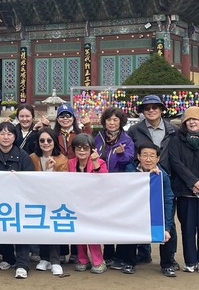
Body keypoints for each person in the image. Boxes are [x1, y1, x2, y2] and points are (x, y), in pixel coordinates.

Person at [166, 106, 199, 275]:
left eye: (195, 119)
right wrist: (193, 181)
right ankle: (190, 261)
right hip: (184, 191)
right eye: (188, 119)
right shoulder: (176, 140)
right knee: (188, 228)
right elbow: (176, 163)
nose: (192, 122)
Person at [127, 94, 178, 264]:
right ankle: (143, 252)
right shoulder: (135, 130)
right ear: (142, 111)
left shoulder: (173, 130)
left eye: (155, 107)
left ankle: (169, 259)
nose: (151, 111)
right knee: (141, 216)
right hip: (142, 179)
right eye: (147, 108)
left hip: (166, 177)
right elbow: (131, 154)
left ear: (161, 109)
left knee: (167, 216)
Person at [0, 121, 33, 279]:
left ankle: (22, 264)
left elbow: (30, 177)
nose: (6, 137)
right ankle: (8, 258)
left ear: (14, 137)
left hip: (19, 201)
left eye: (9, 134)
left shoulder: (22, 155)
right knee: (3, 229)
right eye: (2, 134)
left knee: (21, 231)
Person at [93, 107, 135, 269]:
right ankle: (108, 253)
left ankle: (120, 255)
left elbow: (129, 161)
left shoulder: (127, 140)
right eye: (109, 119)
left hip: (120, 187)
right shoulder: (98, 137)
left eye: (115, 120)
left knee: (120, 220)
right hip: (101, 186)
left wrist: (120, 154)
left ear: (120, 122)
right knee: (105, 220)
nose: (112, 123)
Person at [130, 143, 177, 277]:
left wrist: (166, 227)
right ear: (138, 156)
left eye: (152, 156)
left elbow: (168, 199)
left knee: (169, 230)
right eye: (144, 155)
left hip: (155, 212)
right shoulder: (131, 172)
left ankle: (167, 264)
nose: (148, 159)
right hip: (136, 211)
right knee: (128, 228)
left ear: (158, 158)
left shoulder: (163, 175)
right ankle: (128, 262)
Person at [68, 134, 108, 274]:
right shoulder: (70, 163)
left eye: (85, 148)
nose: (82, 151)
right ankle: (82, 260)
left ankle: (98, 261)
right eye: (78, 148)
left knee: (92, 233)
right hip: (76, 203)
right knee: (79, 232)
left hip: (94, 204)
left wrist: (96, 163)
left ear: (91, 149)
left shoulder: (100, 162)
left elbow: (105, 180)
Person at [30, 127, 67, 276]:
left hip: (55, 200)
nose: (45, 143)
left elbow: (63, 181)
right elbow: (30, 178)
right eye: (42, 140)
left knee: (54, 229)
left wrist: (52, 171)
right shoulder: (32, 157)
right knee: (42, 228)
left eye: (49, 140)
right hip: (37, 199)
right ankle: (44, 258)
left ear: (54, 142)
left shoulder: (62, 159)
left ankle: (55, 261)